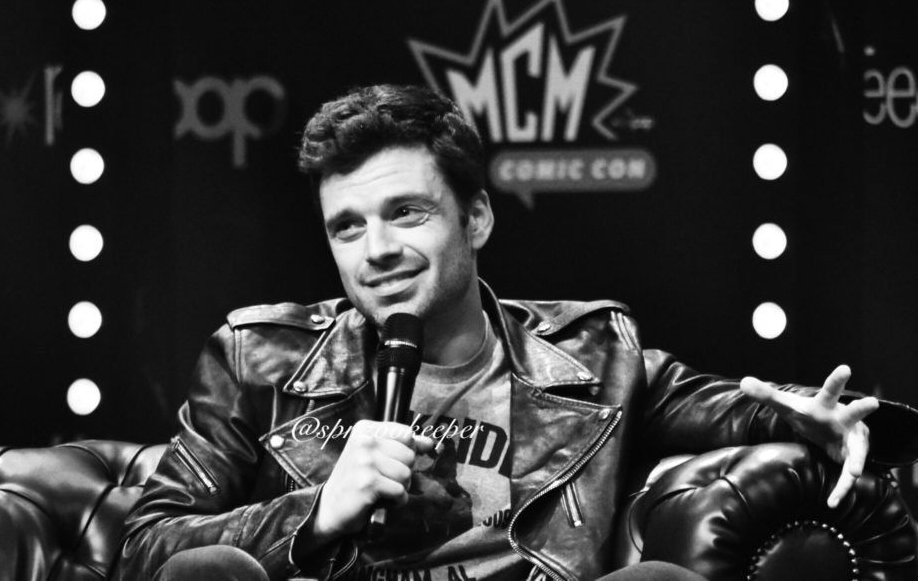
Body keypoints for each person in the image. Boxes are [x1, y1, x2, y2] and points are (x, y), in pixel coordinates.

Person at [117, 84, 911, 581]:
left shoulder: (596, 353)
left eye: (406, 213)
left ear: (477, 218)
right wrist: (321, 510)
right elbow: (145, 546)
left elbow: (735, 407)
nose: (376, 249)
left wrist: (826, 417)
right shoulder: (258, 357)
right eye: (347, 226)